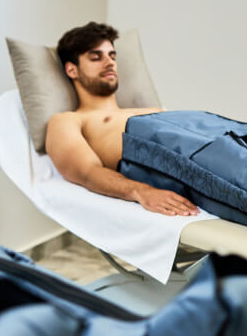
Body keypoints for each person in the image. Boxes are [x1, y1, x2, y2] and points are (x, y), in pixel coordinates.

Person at [45, 22, 200, 217]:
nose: (109, 62)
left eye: (112, 56)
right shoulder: (68, 120)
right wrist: (142, 191)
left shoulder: (151, 109)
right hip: (193, 163)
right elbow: (87, 173)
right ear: (72, 70)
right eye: (95, 57)